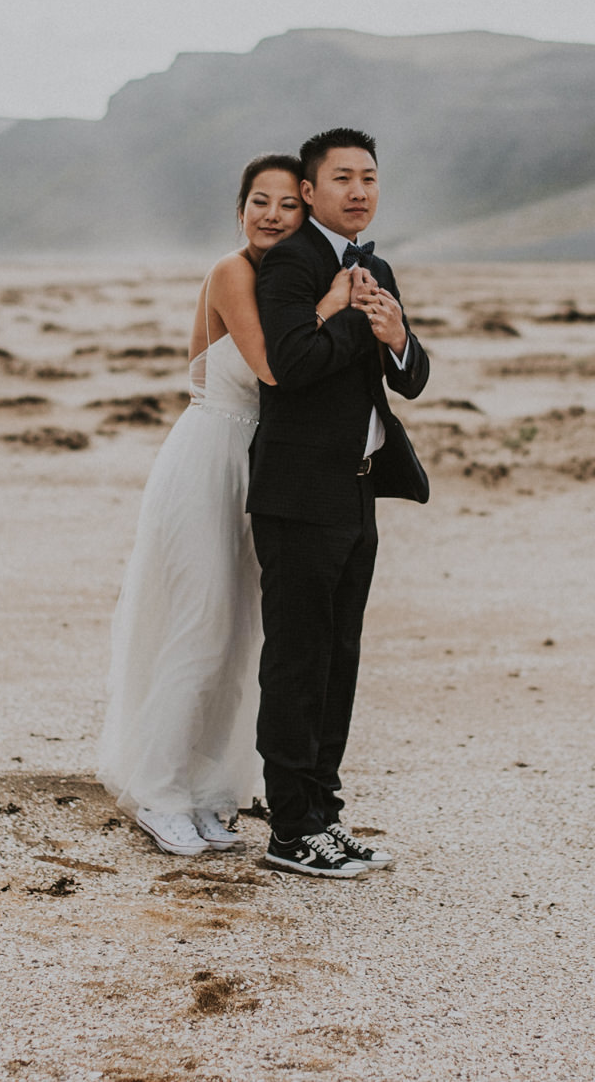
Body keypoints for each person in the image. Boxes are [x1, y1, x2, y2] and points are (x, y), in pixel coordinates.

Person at [97, 154, 356, 856]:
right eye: (258, 201)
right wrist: (331, 305)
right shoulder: (233, 272)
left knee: (243, 631)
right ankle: (159, 791)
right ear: (240, 208)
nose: (272, 215)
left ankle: (208, 790)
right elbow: (274, 365)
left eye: (287, 204)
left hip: (262, 463)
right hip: (210, 455)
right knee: (200, 620)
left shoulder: (285, 277)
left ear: (307, 210)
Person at [248, 127, 430, 879]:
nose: (360, 190)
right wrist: (356, 321)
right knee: (297, 660)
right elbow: (288, 367)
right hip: (297, 494)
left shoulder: (375, 265)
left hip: (359, 489)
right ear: (312, 191)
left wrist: (393, 337)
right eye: (343, 178)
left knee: (340, 659)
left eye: (371, 177)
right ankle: (290, 829)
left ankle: (325, 812)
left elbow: (412, 376)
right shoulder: (288, 264)